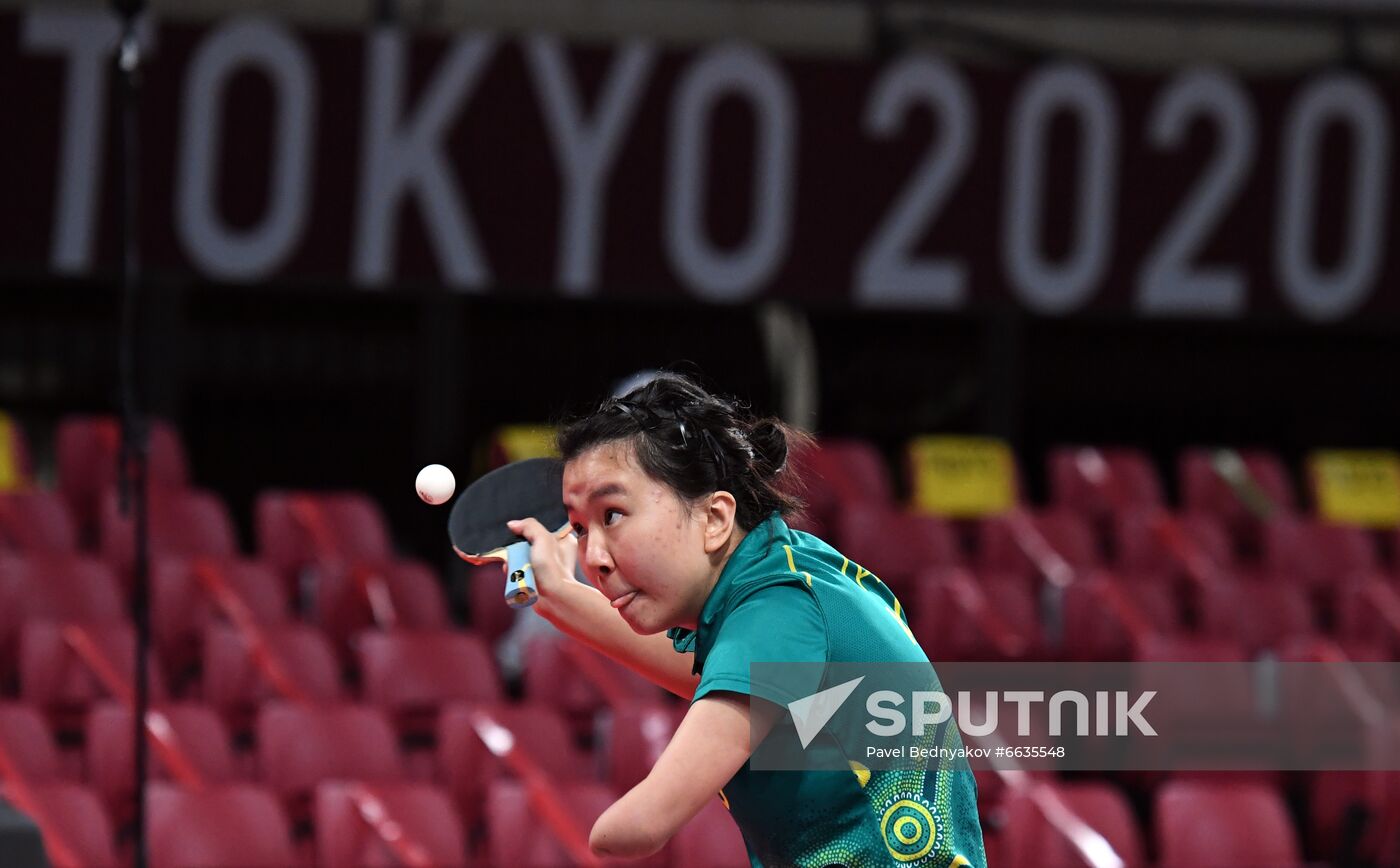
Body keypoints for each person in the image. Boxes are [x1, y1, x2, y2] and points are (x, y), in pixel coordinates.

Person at [507, 372, 986, 867]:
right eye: (580, 529)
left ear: (714, 518)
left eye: (612, 515)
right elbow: (697, 669)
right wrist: (556, 593)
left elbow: (635, 828)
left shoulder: (779, 613)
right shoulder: (792, 572)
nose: (596, 557)